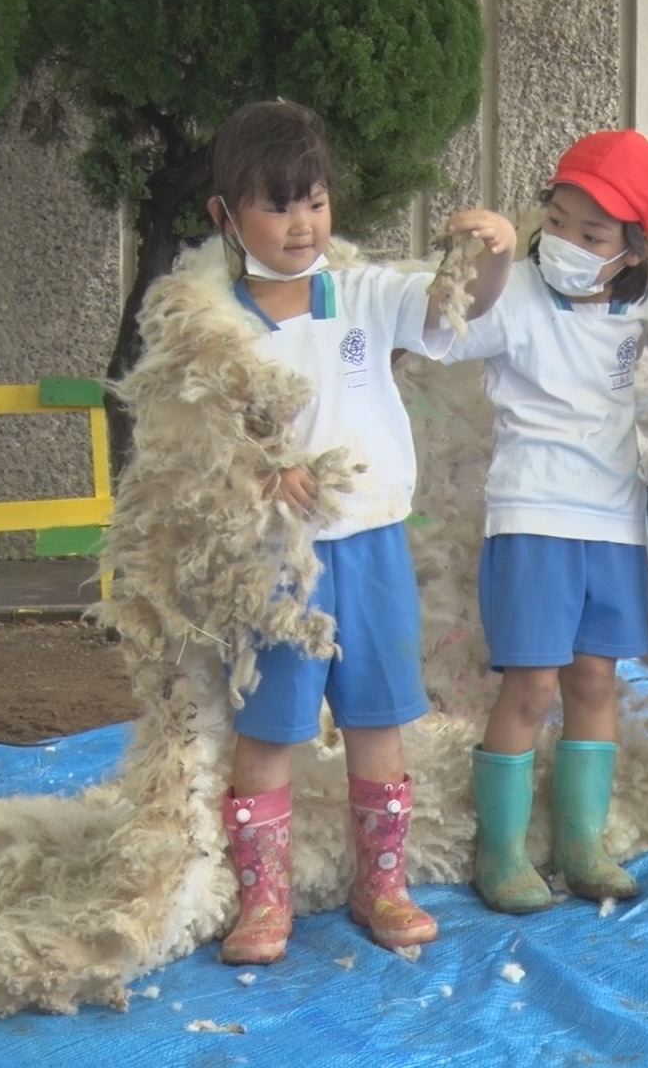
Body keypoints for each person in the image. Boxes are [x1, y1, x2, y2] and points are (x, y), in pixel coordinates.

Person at [144, 99, 515, 962]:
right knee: (270, 727)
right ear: (225, 217)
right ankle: (263, 902)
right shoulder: (213, 330)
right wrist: (266, 476)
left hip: (374, 544)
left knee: (379, 722)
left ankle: (381, 883)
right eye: (276, 205)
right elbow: (193, 451)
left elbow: (450, 310)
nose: (300, 222)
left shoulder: (362, 295)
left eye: (313, 200)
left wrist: (491, 257)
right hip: (275, 563)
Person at [459, 130, 648, 913]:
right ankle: (502, 852)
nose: (569, 243)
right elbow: (442, 329)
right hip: (533, 515)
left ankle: (582, 844)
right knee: (531, 685)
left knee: (596, 680)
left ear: (633, 249)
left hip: (616, 525)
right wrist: (485, 262)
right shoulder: (514, 290)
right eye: (558, 220)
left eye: (593, 235)